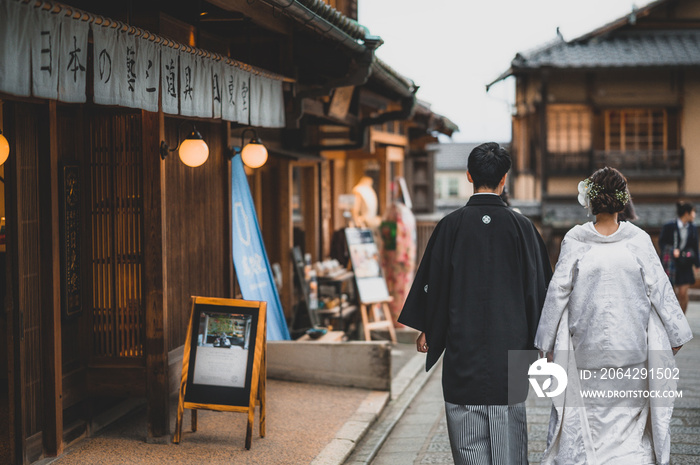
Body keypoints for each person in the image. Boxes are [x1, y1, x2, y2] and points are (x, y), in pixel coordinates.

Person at [399, 142, 552, 465]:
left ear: (469, 175)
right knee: (508, 437)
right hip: (511, 353)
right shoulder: (523, 229)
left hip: (462, 349)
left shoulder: (450, 226)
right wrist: (543, 341)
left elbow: (435, 285)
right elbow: (539, 290)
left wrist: (429, 327)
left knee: (467, 437)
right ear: (504, 179)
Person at [534, 167, 693, 464]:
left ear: (591, 201)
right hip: (631, 345)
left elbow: (557, 292)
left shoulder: (575, 239)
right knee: (628, 424)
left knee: (589, 418)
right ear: (623, 200)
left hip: (586, 347)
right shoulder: (639, 240)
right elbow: (659, 287)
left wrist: (545, 343)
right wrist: (676, 333)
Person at [659, 201, 700, 313]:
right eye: (693, 212)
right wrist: (672, 250)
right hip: (672, 264)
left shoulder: (692, 228)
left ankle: (683, 319)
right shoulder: (669, 226)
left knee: (683, 293)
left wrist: (697, 264)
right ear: (686, 213)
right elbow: (662, 243)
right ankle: (672, 318)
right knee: (671, 293)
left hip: (686, 264)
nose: (694, 215)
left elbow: (695, 247)